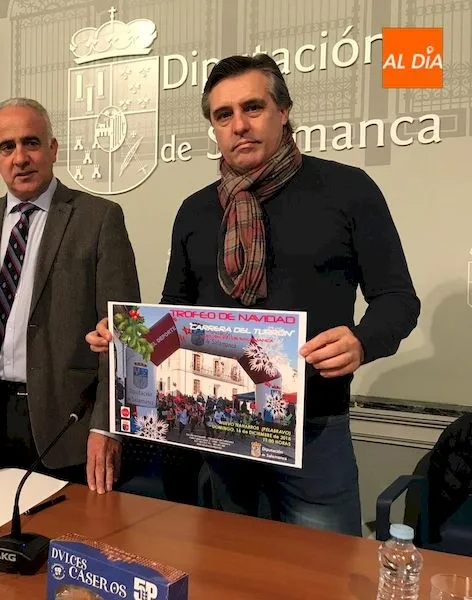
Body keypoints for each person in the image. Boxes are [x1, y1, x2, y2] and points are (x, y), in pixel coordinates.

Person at [85, 54, 420, 534]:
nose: (239, 125)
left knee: (321, 577)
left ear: (283, 112)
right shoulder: (195, 211)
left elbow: (398, 299)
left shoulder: (349, 190)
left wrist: (363, 341)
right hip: (218, 433)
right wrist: (124, 335)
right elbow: (173, 316)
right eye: (224, 115)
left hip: (315, 432)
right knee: (231, 573)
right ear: (214, 128)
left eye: (253, 108)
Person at [0, 98, 140, 494]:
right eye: (7, 147)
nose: (20, 157)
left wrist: (107, 426)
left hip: (68, 419)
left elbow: (123, 334)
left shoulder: (98, 218)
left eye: (31, 143)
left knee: (61, 541)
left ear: (52, 149)